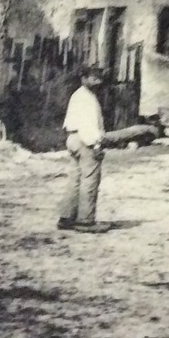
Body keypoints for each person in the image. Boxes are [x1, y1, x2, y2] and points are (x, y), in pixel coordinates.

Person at [58, 64, 106, 231]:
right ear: (84, 78)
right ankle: (85, 220)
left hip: (73, 138)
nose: (97, 81)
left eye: (99, 77)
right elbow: (88, 125)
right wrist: (96, 144)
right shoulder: (87, 98)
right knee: (90, 179)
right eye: (93, 77)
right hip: (85, 139)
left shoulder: (77, 95)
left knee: (75, 179)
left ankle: (66, 217)